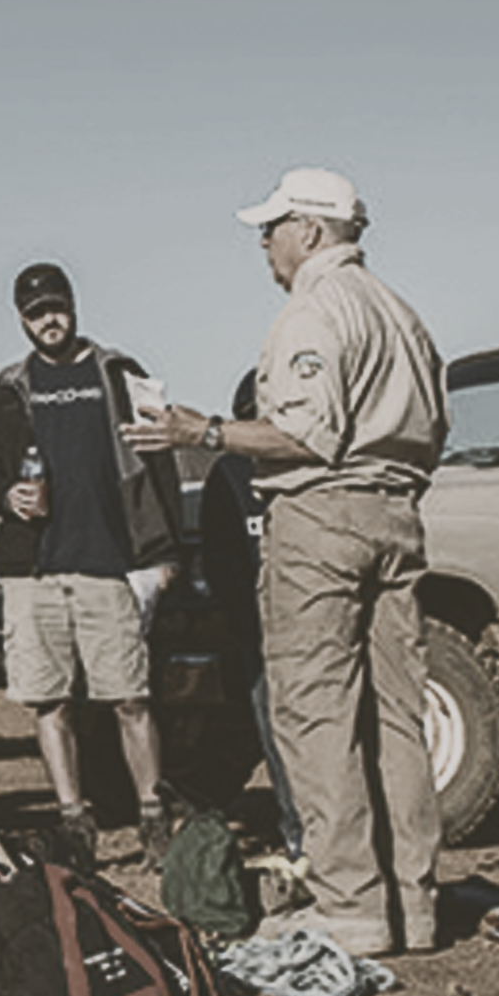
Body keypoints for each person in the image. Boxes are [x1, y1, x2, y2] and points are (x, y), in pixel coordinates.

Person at [124, 168, 448, 955]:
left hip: (321, 520)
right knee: (395, 719)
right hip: (396, 518)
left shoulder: (315, 311)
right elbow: (433, 431)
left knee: (315, 715)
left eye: (270, 228)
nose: (263, 244)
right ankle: (412, 900)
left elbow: (304, 435)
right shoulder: (400, 314)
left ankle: (350, 908)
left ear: (308, 229)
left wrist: (201, 433)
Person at [0, 262, 181, 868]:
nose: (49, 321)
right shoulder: (9, 388)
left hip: (108, 565)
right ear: (21, 319)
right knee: (49, 702)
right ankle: (74, 820)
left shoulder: (119, 373)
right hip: (34, 570)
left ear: (73, 305)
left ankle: (153, 815)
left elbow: (160, 461)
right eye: (36, 313)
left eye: (57, 307)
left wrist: (162, 552)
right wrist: (6, 494)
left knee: (131, 699)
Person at [199, 370, 303, 866]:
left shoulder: (298, 465)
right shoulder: (228, 475)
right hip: (257, 630)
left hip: (308, 625)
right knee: (274, 732)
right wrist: (240, 614)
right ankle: (295, 829)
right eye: (249, 416)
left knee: (317, 733)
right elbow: (219, 556)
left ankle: (326, 832)